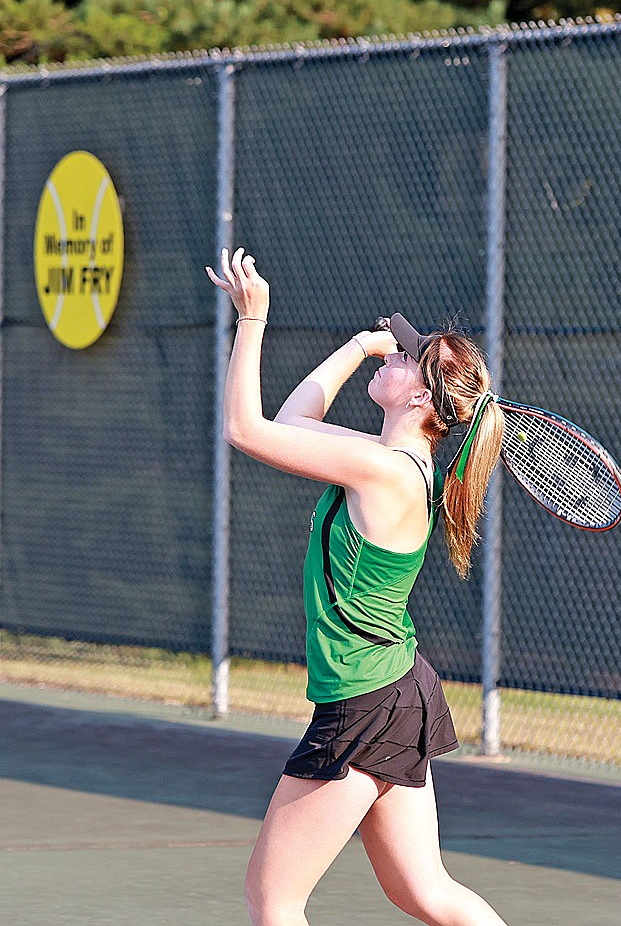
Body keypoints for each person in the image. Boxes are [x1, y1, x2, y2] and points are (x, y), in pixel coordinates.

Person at [206, 247, 509, 926]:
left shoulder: (389, 470)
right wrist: (357, 347)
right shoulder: (390, 463)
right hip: (395, 693)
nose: (390, 357)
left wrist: (253, 320)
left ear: (424, 396)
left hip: (367, 705)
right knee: (422, 893)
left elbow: (245, 429)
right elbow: (292, 426)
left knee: (273, 900)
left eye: (403, 358)